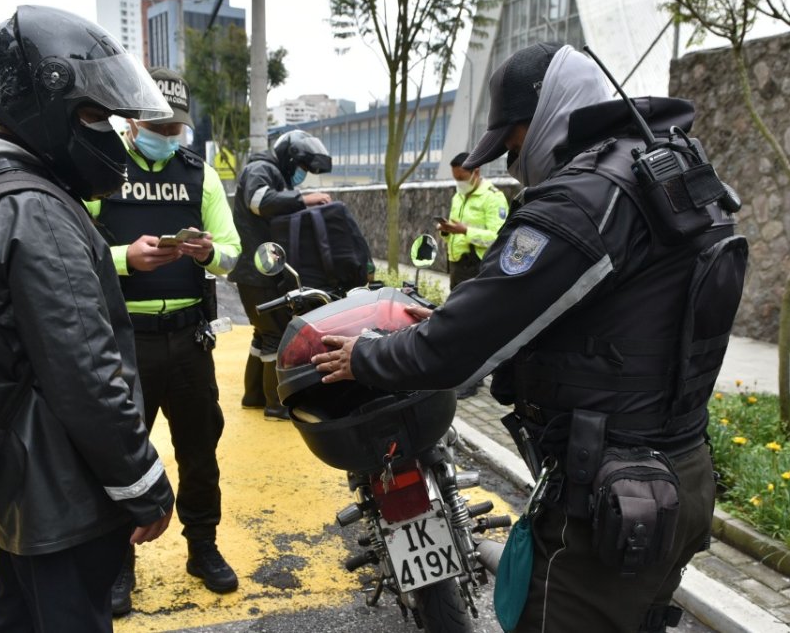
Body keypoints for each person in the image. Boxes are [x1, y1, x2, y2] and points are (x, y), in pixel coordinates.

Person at [310, 42, 747, 632]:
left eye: (514, 145)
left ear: (550, 116)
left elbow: (459, 353)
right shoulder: (670, 169)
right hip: (678, 473)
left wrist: (368, 357)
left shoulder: (585, 198)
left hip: (606, 497)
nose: (515, 166)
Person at [0, 6, 176, 631]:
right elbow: (84, 370)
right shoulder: (35, 210)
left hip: (21, 491)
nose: (108, 132)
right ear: (42, 103)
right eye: (93, 115)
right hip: (65, 496)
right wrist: (143, 484)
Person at [85, 67, 242, 614]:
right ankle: (118, 567)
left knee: (200, 451)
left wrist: (206, 254)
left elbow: (232, 252)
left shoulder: (200, 174)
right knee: (123, 456)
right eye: (156, 124)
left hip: (188, 339)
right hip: (125, 341)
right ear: (131, 121)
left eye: (174, 127)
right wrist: (125, 258)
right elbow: (70, 250)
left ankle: (203, 547)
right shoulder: (102, 169)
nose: (167, 134)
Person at [228, 130, 332, 420]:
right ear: (290, 159)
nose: (302, 175)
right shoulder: (262, 169)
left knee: (263, 333)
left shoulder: (268, 169)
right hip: (258, 269)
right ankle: (276, 405)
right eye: (302, 168)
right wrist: (303, 199)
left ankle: (255, 396)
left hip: (257, 267)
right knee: (275, 334)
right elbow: (259, 201)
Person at [438, 151, 509, 398]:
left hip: (478, 266)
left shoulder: (493, 198)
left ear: (476, 172)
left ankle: (473, 379)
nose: (459, 182)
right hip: (458, 266)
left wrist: (464, 230)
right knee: (458, 321)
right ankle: (461, 372)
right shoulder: (460, 195)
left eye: (462, 176)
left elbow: (499, 237)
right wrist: (447, 231)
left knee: (474, 323)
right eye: (456, 177)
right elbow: (456, 227)